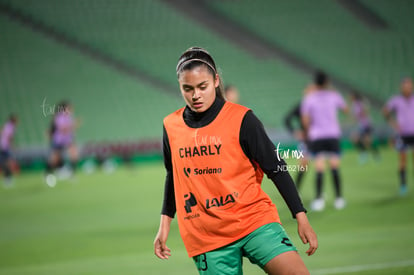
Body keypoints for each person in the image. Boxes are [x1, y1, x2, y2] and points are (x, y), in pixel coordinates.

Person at [154, 47, 317, 275]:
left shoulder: (242, 119)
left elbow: (276, 168)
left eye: (203, 87)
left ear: (216, 81)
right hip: (207, 237)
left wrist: (301, 216)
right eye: (187, 89)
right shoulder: (171, 126)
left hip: (254, 221)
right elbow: (174, 176)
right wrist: (164, 227)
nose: (195, 95)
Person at [301, 71, 348, 211]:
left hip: (317, 136)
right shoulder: (334, 95)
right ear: (327, 82)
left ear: (315, 83)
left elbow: (304, 118)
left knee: (319, 167)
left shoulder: (309, 98)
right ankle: (339, 199)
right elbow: (346, 110)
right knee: (334, 166)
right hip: (333, 134)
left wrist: (309, 131)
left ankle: (319, 199)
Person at [383, 77, 414, 196]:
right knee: (402, 161)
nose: (408, 88)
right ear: (401, 87)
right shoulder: (396, 100)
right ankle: (403, 185)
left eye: (409, 86)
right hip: (403, 134)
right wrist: (393, 124)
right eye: (405, 86)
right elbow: (385, 111)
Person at [284, 84, 316, 190]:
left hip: (318, 139)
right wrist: (295, 132)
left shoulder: (318, 106)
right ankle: (296, 190)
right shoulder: (301, 106)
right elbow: (287, 119)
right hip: (306, 140)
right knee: (303, 164)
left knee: (320, 166)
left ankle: (318, 195)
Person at [45, 101, 79, 186]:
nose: (71, 109)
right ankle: (47, 174)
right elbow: (62, 129)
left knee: (74, 155)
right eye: (69, 107)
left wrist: (73, 130)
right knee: (54, 160)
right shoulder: (59, 117)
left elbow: (70, 130)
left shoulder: (69, 117)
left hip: (68, 141)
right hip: (59, 141)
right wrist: (73, 125)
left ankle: (71, 174)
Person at [350, 91, 379, 164]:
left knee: (367, 141)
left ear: (354, 97)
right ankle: (364, 153)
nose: (350, 98)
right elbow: (356, 116)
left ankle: (375, 154)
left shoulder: (360, 103)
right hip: (361, 126)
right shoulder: (354, 105)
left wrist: (360, 114)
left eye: (351, 96)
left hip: (367, 124)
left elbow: (365, 112)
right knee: (355, 139)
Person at [0, 114, 18, 187]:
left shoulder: (6, 125)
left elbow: (2, 132)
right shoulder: (11, 127)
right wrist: (13, 146)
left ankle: (7, 178)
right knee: (8, 163)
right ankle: (8, 179)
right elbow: (9, 137)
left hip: (2, 146)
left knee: (5, 163)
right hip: (5, 147)